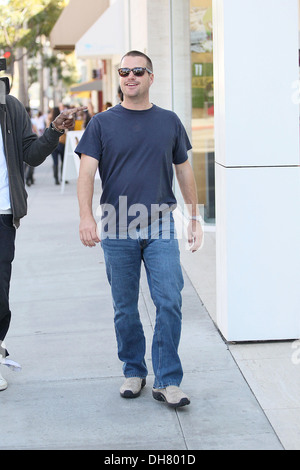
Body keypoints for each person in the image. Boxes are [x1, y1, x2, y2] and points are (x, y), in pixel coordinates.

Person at [76, 51, 203, 408]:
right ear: (119, 78)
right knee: (125, 307)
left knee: (170, 300)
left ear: (151, 77)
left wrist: (194, 217)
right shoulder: (101, 123)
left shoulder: (169, 121)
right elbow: (86, 174)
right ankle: (134, 369)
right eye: (124, 71)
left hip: (161, 222)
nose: (130, 76)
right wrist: (86, 217)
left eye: (138, 71)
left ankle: (167, 379)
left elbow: (184, 171)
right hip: (116, 225)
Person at [0, 95, 86, 391]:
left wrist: (54, 131)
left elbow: (31, 154)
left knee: (0, 293)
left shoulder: (9, 106)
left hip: (2, 213)